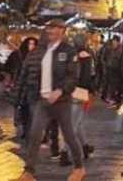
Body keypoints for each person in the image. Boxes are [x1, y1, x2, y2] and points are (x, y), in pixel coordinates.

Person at [14, 20, 85, 181]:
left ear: (62, 30)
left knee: (69, 135)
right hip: (43, 100)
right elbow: (34, 72)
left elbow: (73, 76)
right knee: (35, 135)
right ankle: (29, 172)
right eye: (48, 28)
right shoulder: (43, 50)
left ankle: (79, 168)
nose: (50, 31)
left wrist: (60, 91)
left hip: (61, 101)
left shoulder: (68, 51)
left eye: (53, 28)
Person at [59, 34, 95, 167]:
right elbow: (87, 78)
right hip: (80, 92)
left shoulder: (70, 55)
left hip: (68, 91)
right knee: (73, 125)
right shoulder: (86, 57)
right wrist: (91, 91)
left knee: (78, 122)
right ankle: (64, 153)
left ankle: (85, 147)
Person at [103, 35, 123, 106]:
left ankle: (115, 99)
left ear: (118, 42)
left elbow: (121, 60)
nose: (113, 42)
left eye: (115, 41)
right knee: (110, 84)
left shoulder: (120, 50)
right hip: (110, 69)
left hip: (117, 70)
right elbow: (105, 57)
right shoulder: (110, 49)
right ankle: (111, 98)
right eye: (113, 41)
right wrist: (105, 64)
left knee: (115, 85)